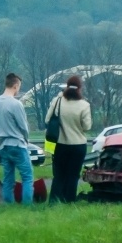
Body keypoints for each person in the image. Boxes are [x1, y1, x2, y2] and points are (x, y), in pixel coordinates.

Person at [46, 75, 92, 203]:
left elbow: (47, 120)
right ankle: (69, 200)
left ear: (66, 86)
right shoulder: (84, 105)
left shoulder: (57, 101)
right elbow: (87, 126)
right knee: (73, 176)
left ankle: (54, 201)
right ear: (80, 88)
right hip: (78, 146)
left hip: (60, 145)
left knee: (59, 175)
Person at [0, 73, 34, 204]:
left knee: (8, 178)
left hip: (3, 145)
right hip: (17, 144)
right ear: (15, 86)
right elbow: (23, 127)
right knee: (27, 177)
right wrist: (26, 140)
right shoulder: (16, 104)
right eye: (18, 87)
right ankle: (27, 206)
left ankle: (8, 205)